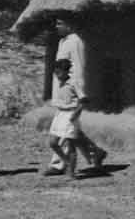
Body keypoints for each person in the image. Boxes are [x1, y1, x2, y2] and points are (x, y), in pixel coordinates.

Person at [43, 17, 108, 176]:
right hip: (62, 94)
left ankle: (60, 164)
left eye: (60, 23)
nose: (57, 26)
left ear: (69, 25)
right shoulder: (62, 42)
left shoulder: (75, 41)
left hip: (72, 97)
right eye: (56, 23)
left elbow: (78, 68)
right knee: (74, 134)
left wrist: (78, 93)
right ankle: (95, 153)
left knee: (67, 133)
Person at [46, 59, 82, 179]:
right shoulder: (59, 83)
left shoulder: (73, 83)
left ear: (66, 71)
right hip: (59, 114)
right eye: (56, 73)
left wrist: (75, 114)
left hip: (70, 115)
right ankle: (66, 161)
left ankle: (71, 172)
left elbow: (83, 100)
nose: (57, 75)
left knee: (70, 144)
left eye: (59, 72)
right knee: (52, 142)